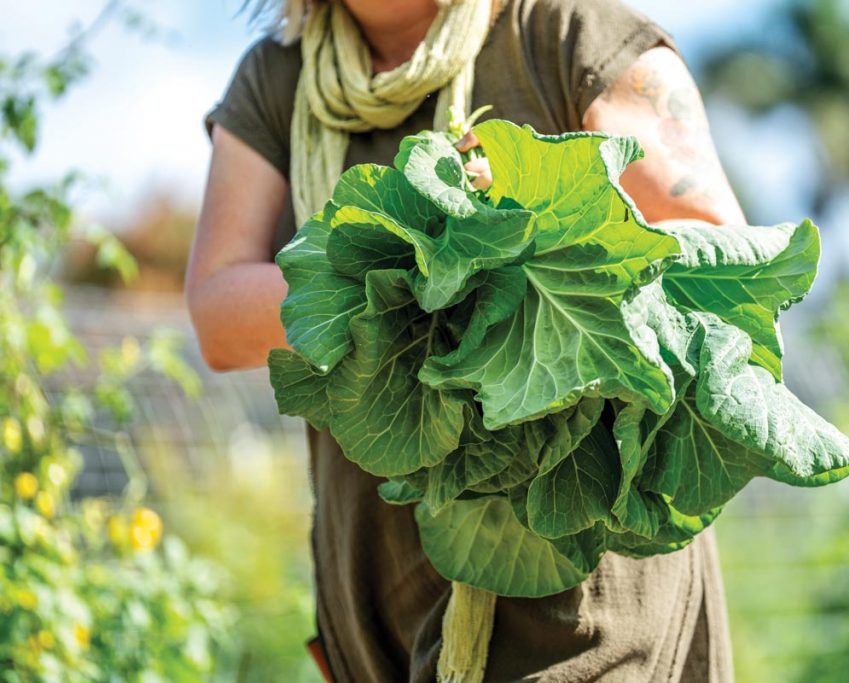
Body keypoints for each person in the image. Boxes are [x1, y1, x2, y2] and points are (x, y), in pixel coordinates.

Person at [187, 0, 745, 680]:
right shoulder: (278, 79)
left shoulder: (568, 30)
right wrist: (413, 256)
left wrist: (514, 234)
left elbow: (717, 246)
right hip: (376, 600)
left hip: (589, 599)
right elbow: (217, 313)